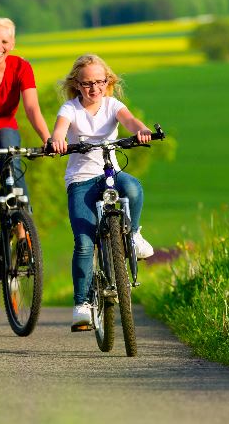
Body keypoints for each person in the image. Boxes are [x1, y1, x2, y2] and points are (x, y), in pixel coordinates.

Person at [48, 53, 155, 331]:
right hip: (81, 181)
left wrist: (142, 131)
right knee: (84, 243)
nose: (93, 88)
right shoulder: (70, 109)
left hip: (110, 174)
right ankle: (82, 305)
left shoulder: (112, 105)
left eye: (99, 82)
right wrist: (57, 140)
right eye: (86, 84)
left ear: (108, 82)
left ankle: (133, 235)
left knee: (132, 186)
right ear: (76, 85)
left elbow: (130, 121)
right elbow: (60, 130)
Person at [0, 17, 51, 250]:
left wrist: (47, 139)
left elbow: (32, 108)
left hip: (3, 129)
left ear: (12, 44)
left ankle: (23, 233)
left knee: (12, 165)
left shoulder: (21, 68)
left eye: (4, 41)